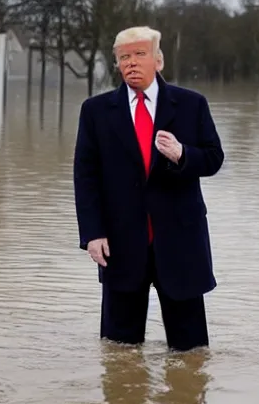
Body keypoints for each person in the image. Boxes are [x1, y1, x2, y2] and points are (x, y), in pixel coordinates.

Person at [73, 25, 224, 352]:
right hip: (120, 244)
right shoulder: (95, 112)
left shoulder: (191, 105)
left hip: (179, 241)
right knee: (119, 355)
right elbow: (85, 177)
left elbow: (213, 159)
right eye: (123, 57)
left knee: (190, 356)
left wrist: (182, 154)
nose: (131, 62)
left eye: (139, 54)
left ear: (159, 60)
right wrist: (92, 233)